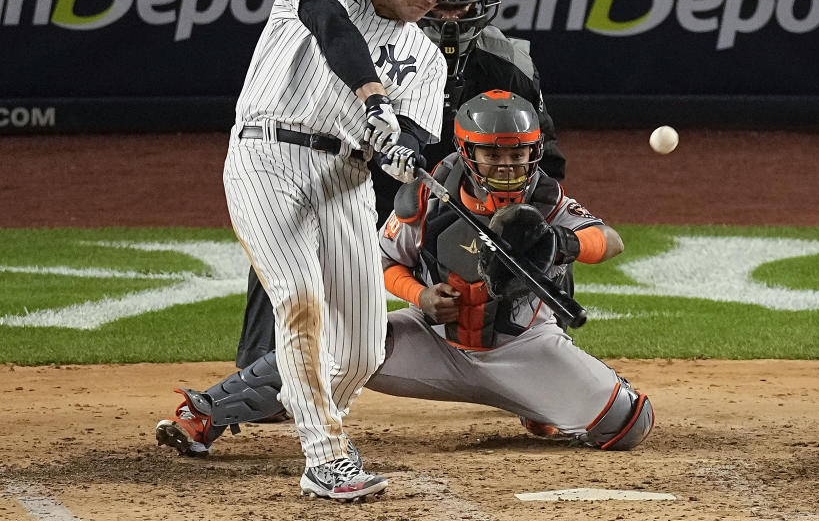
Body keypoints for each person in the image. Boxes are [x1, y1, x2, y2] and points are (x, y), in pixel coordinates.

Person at [155, 92, 654, 466]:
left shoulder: (547, 202)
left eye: (518, 154)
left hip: (525, 350)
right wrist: (419, 294)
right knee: (337, 340)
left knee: (629, 425)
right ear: (468, 153)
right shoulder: (427, 199)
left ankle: (536, 402)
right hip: (434, 344)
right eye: (495, 154)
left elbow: (608, 239)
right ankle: (205, 413)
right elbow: (380, 261)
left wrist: (562, 243)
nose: (508, 165)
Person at [208, 0, 473, 501]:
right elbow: (334, 33)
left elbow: (413, 136)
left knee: (361, 349)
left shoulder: (427, 60)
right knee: (299, 302)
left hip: (346, 179)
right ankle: (326, 455)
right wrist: (374, 101)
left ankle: (239, 407)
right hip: (267, 157)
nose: (428, 0)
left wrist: (402, 153)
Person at [231, 0, 567, 370]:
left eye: (459, 8)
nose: (449, 19)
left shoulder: (508, 63)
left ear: (479, 10)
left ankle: (547, 353)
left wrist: (526, 217)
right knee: (292, 225)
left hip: (463, 191)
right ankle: (261, 363)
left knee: (536, 234)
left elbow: (544, 155)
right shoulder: (374, 50)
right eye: (440, 6)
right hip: (373, 172)